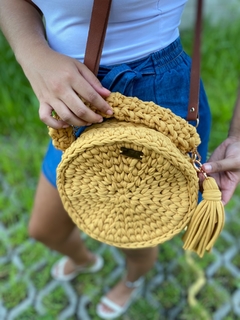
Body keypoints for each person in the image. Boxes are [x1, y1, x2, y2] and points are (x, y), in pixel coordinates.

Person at [0, 0, 240, 318]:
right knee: (44, 229)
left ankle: (133, 277)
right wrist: (33, 55)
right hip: (74, 97)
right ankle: (86, 260)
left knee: (134, 227)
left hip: (159, 91)